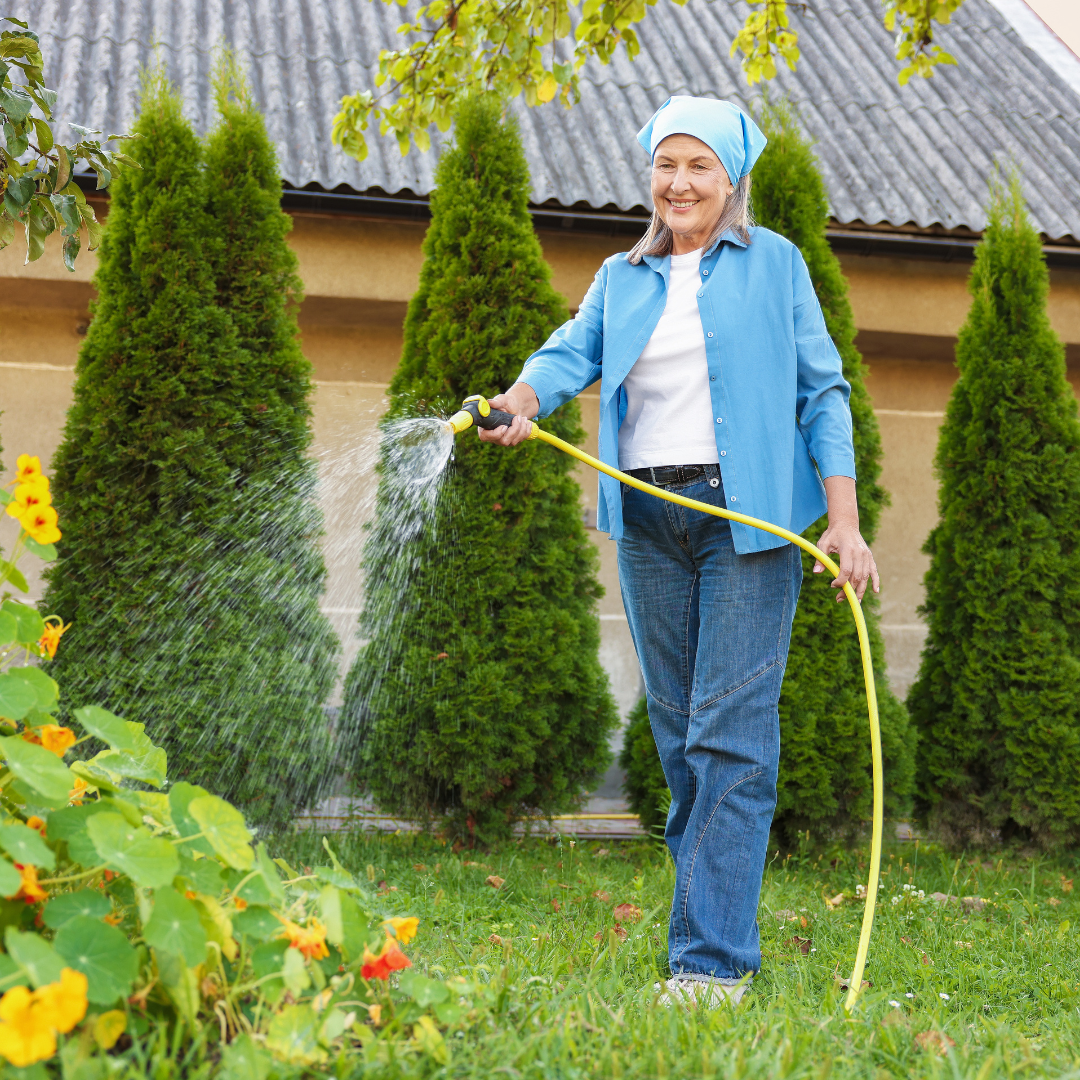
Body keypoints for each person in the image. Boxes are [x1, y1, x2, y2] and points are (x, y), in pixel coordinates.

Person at [480, 96, 879, 1006]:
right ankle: (706, 928)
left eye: (699, 165)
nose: (679, 182)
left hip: (747, 521)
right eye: (666, 164)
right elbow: (568, 352)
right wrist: (518, 402)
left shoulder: (775, 264)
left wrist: (843, 522)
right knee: (678, 739)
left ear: (732, 178)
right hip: (649, 522)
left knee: (730, 740)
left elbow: (825, 392)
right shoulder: (621, 276)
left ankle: (709, 965)